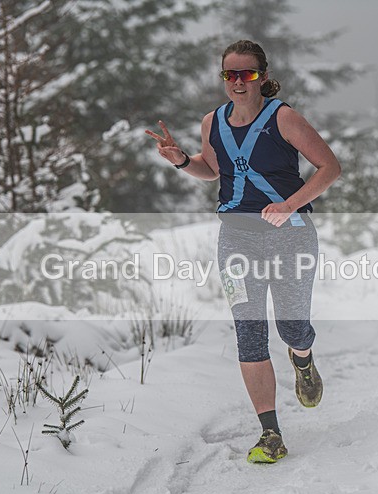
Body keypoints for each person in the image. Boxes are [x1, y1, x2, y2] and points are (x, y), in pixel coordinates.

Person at [145, 39, 341, 464]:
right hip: (235, 236)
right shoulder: (212, 122)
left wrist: (290, 204)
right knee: (249, 335)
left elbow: (330, 167)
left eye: (247, 74)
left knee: (291, 327)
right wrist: (181, 160)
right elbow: (212, 170)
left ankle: (302, 358)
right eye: (229, 74)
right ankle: (270, 434)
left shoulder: (284, 118)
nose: (238, 82)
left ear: (263, 77)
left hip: (290, 233)